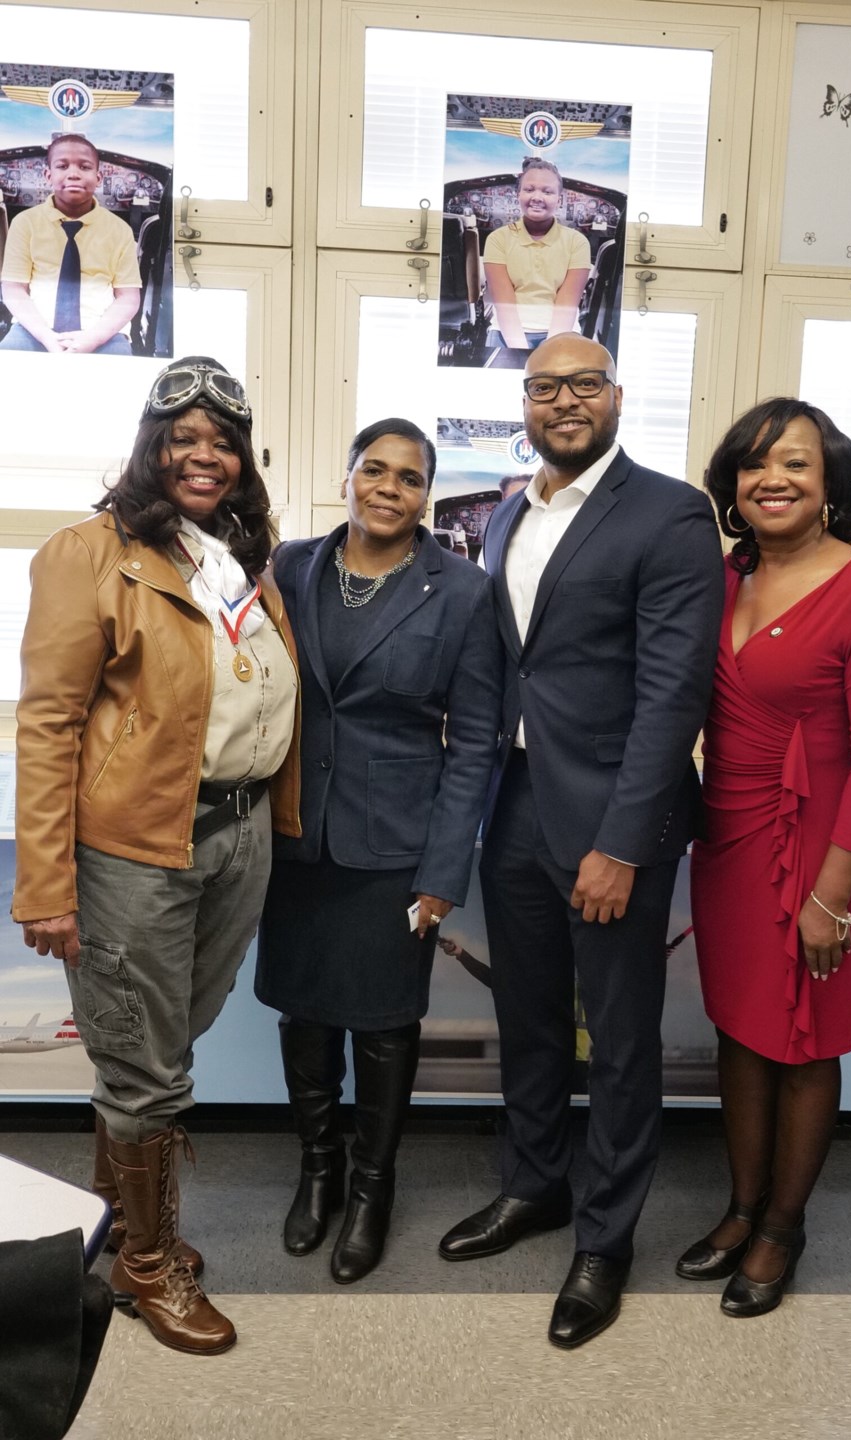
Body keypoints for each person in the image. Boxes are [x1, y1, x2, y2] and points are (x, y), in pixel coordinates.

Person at [438, 333, 725, 1348]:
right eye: (545, 385)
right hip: (514, 806)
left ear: (615, 397)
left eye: (584, 384)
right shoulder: (513, 509)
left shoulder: (671, 513)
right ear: (524, 399)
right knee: (527, 1018)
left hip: (610, 820)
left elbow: (672, 695)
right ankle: (535, 1187)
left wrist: (626, 842)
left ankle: (606, 1239)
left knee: (620, 1038)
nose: (564, 401)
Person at [12, 356, 300, 1354]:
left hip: (237, 832)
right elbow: (47, 727)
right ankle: (149, 1265)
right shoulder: (89, 553)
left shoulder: (231, 558)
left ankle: (116, 1221)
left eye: (222, 442)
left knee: (163, 1040)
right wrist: (46, 886)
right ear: (151, 447)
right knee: (147, 1068)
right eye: (184, 439)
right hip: (137, 850)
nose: (204, 456)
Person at [675, 398, 851, 1318]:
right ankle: (741, 1208)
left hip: (828, 842)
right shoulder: (723, 575)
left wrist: (834, 895)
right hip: (729, 831)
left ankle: (784, 1225)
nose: (772, 478)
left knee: (806, 1038)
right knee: (741, 1026)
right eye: (754, 464)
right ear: (734, 486)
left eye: (796, 465)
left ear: (831, 487)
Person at [255, 417, 501, 1284]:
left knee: (387, 1025)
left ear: (427, 493)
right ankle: (317, 1173)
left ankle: (370, 1190)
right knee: (304, 1014)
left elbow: (476, 745)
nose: (388, 487)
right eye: (375, 469)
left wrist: (443, 874)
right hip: (295, 838)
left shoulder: (462, 591)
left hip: (396, 846)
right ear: (349, 474)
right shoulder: (293, 566)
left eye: (409, 477)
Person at [0, 135, 140, 354]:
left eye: (85, 167)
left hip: (102, 331)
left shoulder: (119, 230)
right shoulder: (25, 224)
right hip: (35, 328)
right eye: (62, 166)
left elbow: (128, 297)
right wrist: (47, 337)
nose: (73, 173)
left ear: (99, 177)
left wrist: (92, 339)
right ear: (48, 175)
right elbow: (13, 290)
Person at [483, 158, 591, 353]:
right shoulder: (497, 239)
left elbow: (566, 306)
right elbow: (504, 305)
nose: (537, 197)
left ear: (559, 199)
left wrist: (547, 353)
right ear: (518, 194)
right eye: (529, 189)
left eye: (547, 191)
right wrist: (521, 353)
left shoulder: (577, 242)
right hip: (506, 332)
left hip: (562, 333)